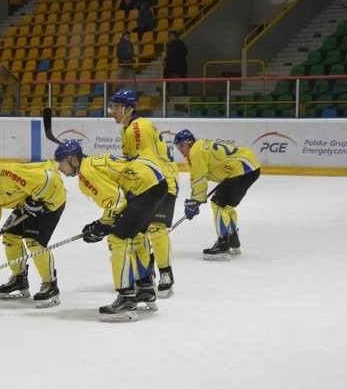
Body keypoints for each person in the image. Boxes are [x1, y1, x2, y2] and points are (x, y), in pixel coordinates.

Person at [54, 140, 168, 322]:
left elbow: (117, 202)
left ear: (73, 159)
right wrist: (102, 224)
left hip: (144, 189)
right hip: (157, 183)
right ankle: (145, 289)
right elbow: (118, 200)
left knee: (117, 239)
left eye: (62, 163)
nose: (60, 168)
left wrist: (101, 226)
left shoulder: (86, 173)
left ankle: (126, 299)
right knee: (136, 237)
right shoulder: (91, 163)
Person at [0, 150, 66, 308]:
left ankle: (50, 284)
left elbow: (49, 179)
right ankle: (19, 279)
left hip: (50, 199)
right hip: (27, 203)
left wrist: (37, 200)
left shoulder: (9, 174)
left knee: (34, 242)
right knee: (10, 237)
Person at [108, 90, 179, 298]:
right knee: (138, 233)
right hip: (145, 183)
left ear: (129, 109)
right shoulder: (127, 127)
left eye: (116, 107)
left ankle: (166, 273)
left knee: (155, 230)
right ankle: (145, 275)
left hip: (161, 181)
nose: (112, 111)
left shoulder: (139, 128)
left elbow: (145, 162)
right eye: (112, 106)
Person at [173, 129, 261, 261]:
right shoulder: (196, 150)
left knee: (219, 203)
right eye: (178, 146)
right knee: (225, 205)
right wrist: (195, 200)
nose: (180, 149)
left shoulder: (196, 152)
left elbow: (199, 180)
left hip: (242, 169)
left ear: (189, 142)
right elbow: (197, 178)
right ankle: (232, 239)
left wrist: (195, 201)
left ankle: (223, 245)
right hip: (246, 167)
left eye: (182, 145)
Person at [163, 31, 189, 95]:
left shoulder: (181, 43)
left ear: (175, 36)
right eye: (170, 36)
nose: (170, 37)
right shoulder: (169, 44)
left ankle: (185, 92)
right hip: (171, 64)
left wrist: (178, 56)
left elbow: (185, 53)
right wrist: (165, 60)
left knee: (183, 77)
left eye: (171, 36)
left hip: (180, 64)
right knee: (165, 73)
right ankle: (167, 91)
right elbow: (168, 54)